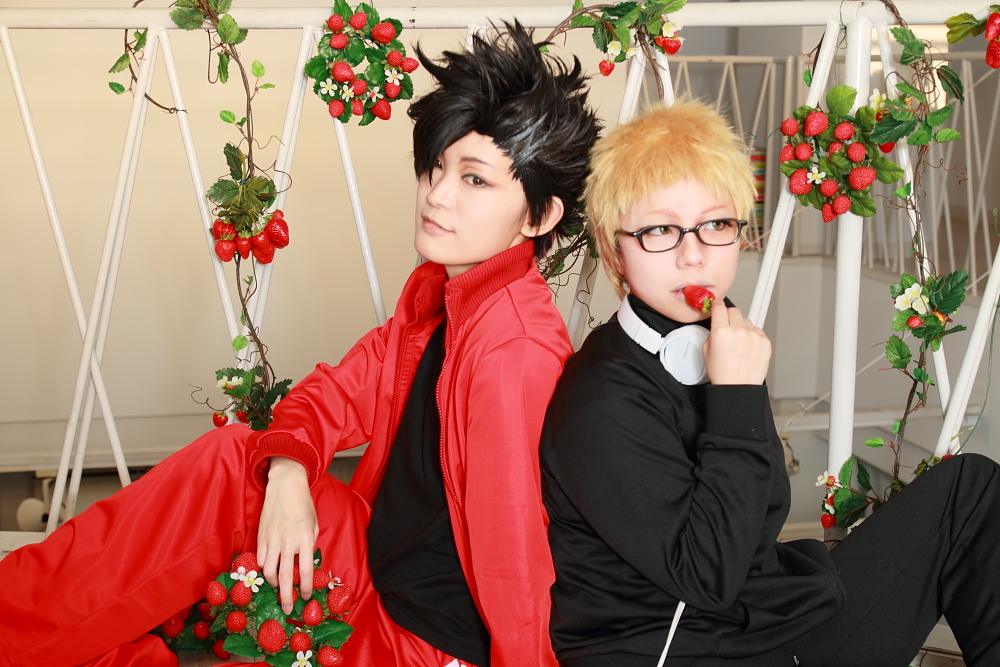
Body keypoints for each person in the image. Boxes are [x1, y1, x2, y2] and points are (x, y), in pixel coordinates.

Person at [0, 23, 600, 667]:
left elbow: (515, 558)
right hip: (373, 569)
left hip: (422, 643)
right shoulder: (441, 302)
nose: (438, 194)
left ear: (539, 216)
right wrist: (287, 474)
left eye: (475, 180)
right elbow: (331, 394)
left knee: (212, 502)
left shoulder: (513, 347)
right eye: (437, 166)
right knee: (235, 466)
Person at [539, 99, 1000, 667]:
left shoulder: (718, 342)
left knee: (969, 490)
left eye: (715, 224)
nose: (693, 256)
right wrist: (734, 399)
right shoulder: (602, 401)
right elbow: (710, 579)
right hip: (693, 651)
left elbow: (761, 516)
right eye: (660, 230)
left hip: (757, 623)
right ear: (616, 251)